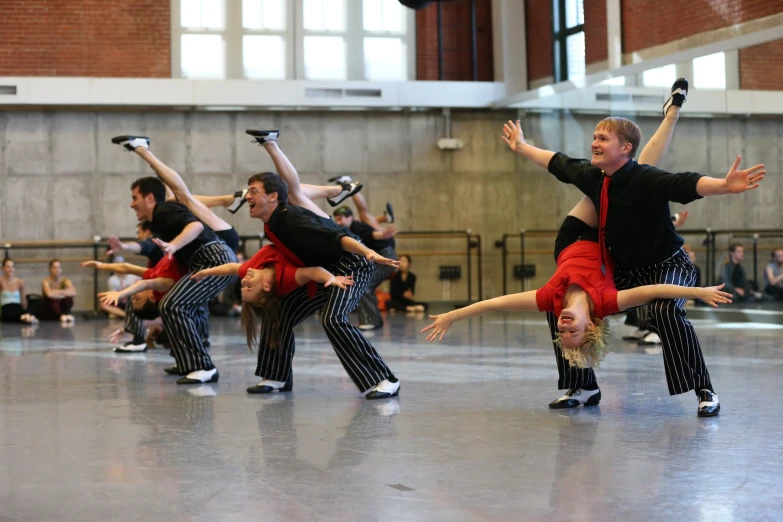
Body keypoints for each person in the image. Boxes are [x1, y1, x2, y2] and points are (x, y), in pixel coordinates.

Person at [499, 78, 765, 416]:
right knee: (560, 304)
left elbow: (683, 183)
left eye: (602, 138)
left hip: (669, 264)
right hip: (626, 272)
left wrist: (724, 186)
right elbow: (557, 162)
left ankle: (704, 389)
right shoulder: (594, 176)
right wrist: (521, 146)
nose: (594, 142)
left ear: (625, 148)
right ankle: (583, 385)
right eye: (594, 137)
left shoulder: (646, 179)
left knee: (664, 310)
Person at [242, 128, 401, 399]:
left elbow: (338, 238)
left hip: (351, 265)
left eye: (253, 191)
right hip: (325, 271)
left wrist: (368, 253)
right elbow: (290, 189)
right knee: (279, 310)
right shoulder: (274, 221)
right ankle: (276, 376)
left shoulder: (291, 219)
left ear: (271, 198)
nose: (247, 196)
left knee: (333, 318)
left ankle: (384, 378)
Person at [111, 135, 238, 385]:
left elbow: (195, 227)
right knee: (178, 305)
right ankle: (187, 362)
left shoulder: (164, 210)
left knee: (173, 304)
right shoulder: (160, 215)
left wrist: (174, 245)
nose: (131, 204)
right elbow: (171, 187)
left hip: (215, 260)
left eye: (135, 198)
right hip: (208, 261)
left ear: (149, 198)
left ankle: (203, 366)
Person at [333, 205, 398, 330]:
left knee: (363, 285)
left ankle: (370, 320)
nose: (338, 222)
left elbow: (373, 234)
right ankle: (375, 320)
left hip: (385, 258)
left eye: (340, 219)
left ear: (350, 218)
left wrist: (383, 234)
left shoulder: (358, 227)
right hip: (379, 258)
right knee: (364, 285)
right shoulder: (349, 228)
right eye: (336, 219)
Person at [102, 255, 140, 319]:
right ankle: (126, 315)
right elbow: (114, 298)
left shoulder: (135, 276)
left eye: (122, 266)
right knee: (104, 305)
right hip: (122, 302)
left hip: (134, 301)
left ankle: (119, 313)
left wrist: (126, 290)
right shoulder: (112, 280)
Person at [0, 258, 38, 324]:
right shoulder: (1, 281)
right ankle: (26, 318)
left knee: (34, 303)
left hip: (17, 307)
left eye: (12, 267)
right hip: (6, 308)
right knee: (7, 312)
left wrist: (26, 310)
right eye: (8, 267)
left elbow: (24, 301)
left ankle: (25, 316)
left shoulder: (19, 282)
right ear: (3, 268)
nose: (10, 269)